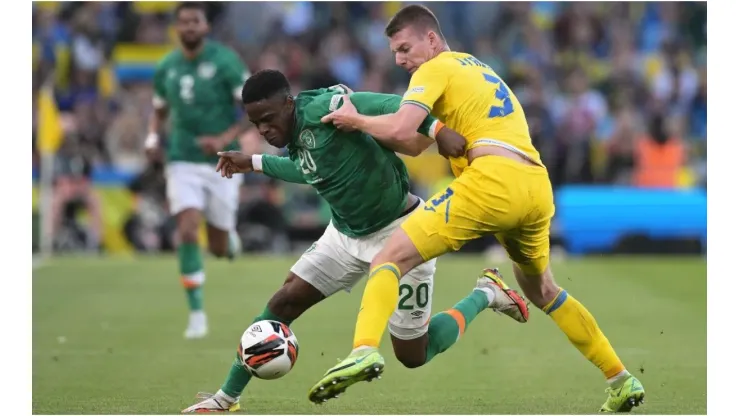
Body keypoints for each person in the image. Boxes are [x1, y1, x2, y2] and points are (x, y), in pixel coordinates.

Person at [311, 5, 645, 413]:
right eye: (395, 53)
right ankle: (621, 379)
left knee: (388, 257)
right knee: (543, 290)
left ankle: (363, 349)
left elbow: (400, 127)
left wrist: (355, 119)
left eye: (404, 48)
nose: (400, 60)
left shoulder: (433, 70)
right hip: (535, 185)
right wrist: (368, 133)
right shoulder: (476, 68)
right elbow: (414, 143)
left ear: (431, 39)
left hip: (492, 180)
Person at [181, 69, 528, 413]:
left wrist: (438, 130)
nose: (264, 129)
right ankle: (226, 398)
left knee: (413, 354)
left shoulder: (322, 109)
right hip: (344, 235)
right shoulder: (297, 138)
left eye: (268, 119)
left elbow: (390, 103)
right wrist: (254, 163)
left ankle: (486, 293)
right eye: (256, 124)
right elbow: (306, 169)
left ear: (288, 104)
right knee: (285, 301)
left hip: (403, 235)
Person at [145, 2, 249, 339]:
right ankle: (197, 314)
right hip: (181, 159)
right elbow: (159, 110)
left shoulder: (225, 62)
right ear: (176, 28)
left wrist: (223, 138)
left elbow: (253, 108)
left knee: (218, 247)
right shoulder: (167, 67)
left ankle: (228, 240)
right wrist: (151, 138)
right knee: (188, 229)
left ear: (206, 26)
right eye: (184, 22)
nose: (189, 27)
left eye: (195, 21)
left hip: (222, 162)